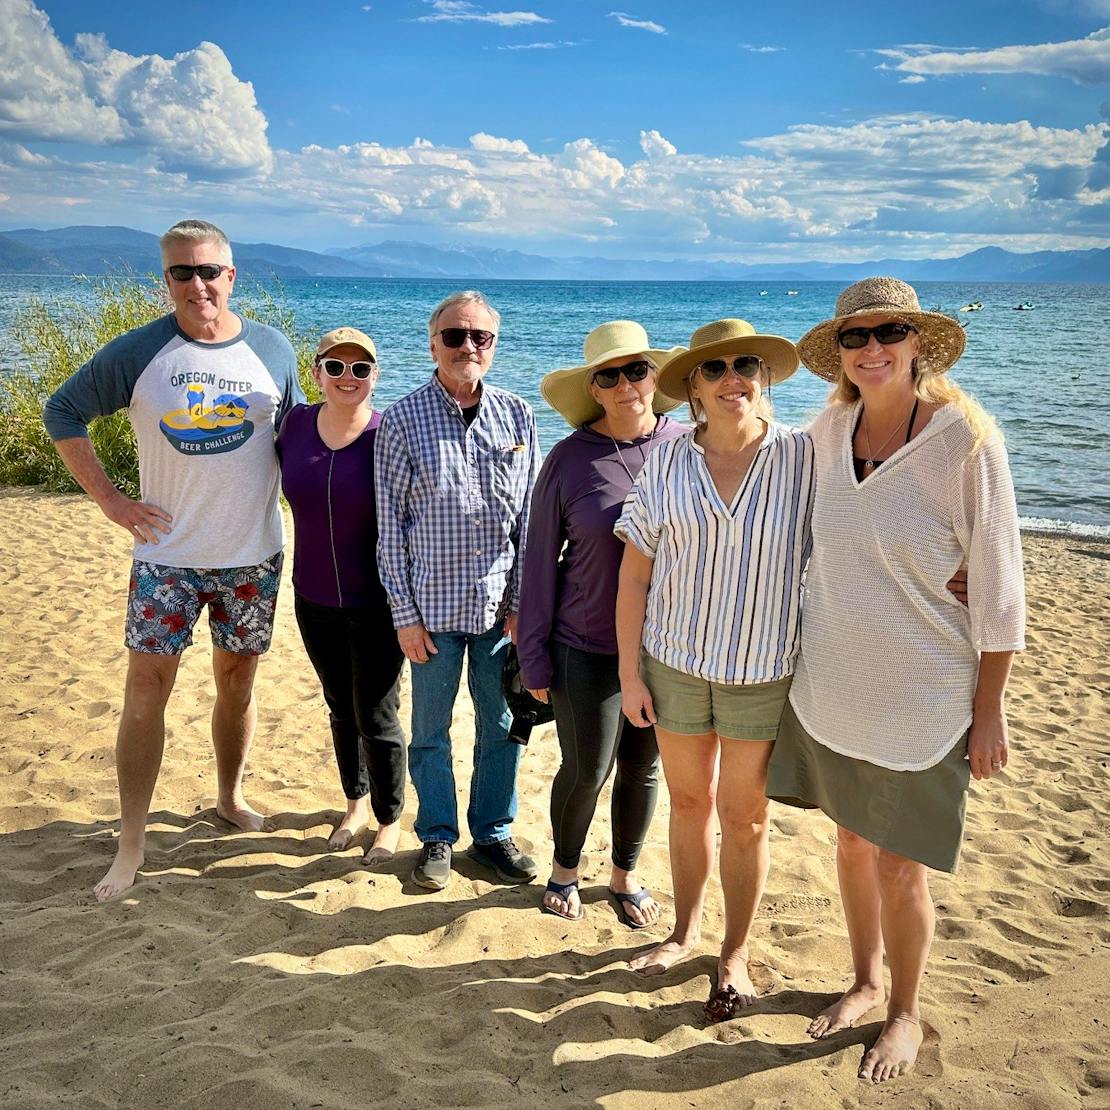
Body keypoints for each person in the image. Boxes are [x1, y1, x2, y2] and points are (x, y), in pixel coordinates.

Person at [766, 277, 1025, 1083]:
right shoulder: (827, 426)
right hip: (833, 683)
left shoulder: (964, 440)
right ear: (838, 353)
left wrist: (991, 710)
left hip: (925, 694)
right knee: (848, 841)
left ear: (919, 344)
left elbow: (1001, 584)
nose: (872, 348)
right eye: (856, 336)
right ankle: (866, 980)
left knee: (900, 863)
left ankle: (905, 1011)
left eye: (890, 332)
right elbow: (776, 506)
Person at [43, 218, 303, 901]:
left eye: (209, 270)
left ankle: (227, 796)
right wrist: (111, 500)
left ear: (231, 275)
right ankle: (131, 843)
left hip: (253, 557)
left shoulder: (273, 351)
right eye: (182, 273)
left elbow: (299, 447)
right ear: (166, 281)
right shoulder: (138, 352)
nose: (198, 284)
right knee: (144, 694)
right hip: (168, 559)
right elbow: (62, 411)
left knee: (238, 686)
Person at [614, 319, 815, 1017]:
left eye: (746, 364)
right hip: (673, 663)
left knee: (746, 817)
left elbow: (866, 531)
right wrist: (630, 674)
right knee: (690, 803)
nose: (734, 377)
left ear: (763, 379)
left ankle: (732, 952)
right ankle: (683, 931)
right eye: (716, 368)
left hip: (764, 667)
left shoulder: (803, 459)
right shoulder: (666, 462)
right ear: (694, 388)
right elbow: (634, 577)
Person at [517, 321, 687, 925]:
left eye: (636, 370)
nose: (625, 385)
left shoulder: (688, 445)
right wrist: (532, 656)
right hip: (582, 644)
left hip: (666, 647)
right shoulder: (567, 459)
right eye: (608, 375)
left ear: (655, 377)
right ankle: (565, 868)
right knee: (589, 767)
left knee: (643, 766)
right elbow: (536, 563)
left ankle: (624, 874)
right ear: (594, 387)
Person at [375, 290, 541, 891]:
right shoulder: (400, 420)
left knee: (501, 725)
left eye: (481, 338)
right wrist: (404, 615)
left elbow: (530, 523)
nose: (467, 346)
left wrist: (524, 605)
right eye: (455, 336)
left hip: (500, 611)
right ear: (433, 343)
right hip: (431, 611)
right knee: (429, 730)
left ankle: (492, 834)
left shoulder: (519, 416)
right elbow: (390, 527)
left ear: (493, 347)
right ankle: (439, 837)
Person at [277, 327, 406, 865]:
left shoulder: (389, 435)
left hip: (377, 603)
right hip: (311, 596)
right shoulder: (294, 425)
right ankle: (353, 805)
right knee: (338, 706)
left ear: (376, 376)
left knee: (376, 713)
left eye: (360, 368)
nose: (348, 377)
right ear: (317, 374)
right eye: (336, 367)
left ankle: (389, 818)